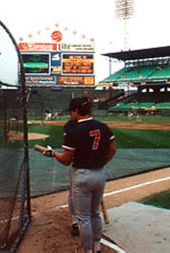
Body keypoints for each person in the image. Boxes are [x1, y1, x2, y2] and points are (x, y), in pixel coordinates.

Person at [43, 97, 117, 253]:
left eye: (72, 112)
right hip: (100, 174)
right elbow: (113, 149)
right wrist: (102, 162)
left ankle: (87, 251)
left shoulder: (74, 130)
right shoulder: (102, 126)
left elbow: (66, 160)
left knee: (83, 218)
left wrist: (54, 154)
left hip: (82, 175)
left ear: (76, 111)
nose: (71, 115)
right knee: (95, 213)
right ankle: (96, 248)